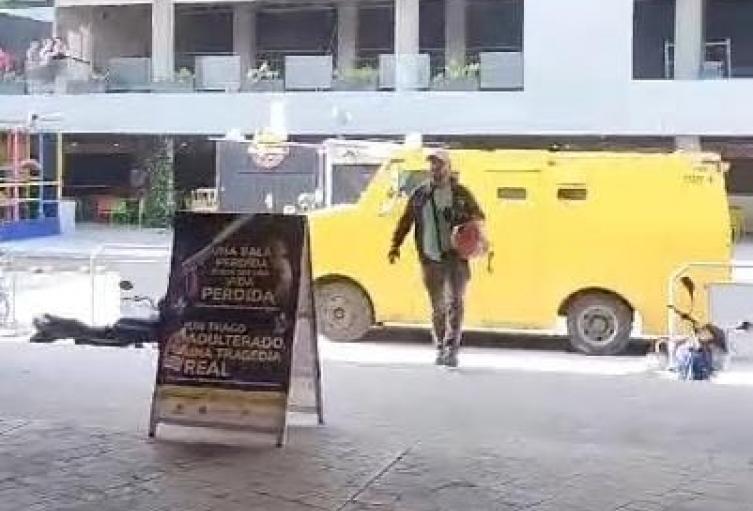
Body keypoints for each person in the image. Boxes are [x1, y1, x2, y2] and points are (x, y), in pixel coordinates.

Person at [388, 149, 485, 367]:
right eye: (432, 164)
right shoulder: (420, 194)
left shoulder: (460, 193)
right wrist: (395, 245)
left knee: (455, 304)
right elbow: (406, 221)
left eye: (439, 164)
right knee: (438, 306)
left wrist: (462, 221)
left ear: (449, 168)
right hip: (430, 258)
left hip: (456, 258)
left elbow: (479, 217)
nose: (435, 168)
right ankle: (440, 345)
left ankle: (451, 350)